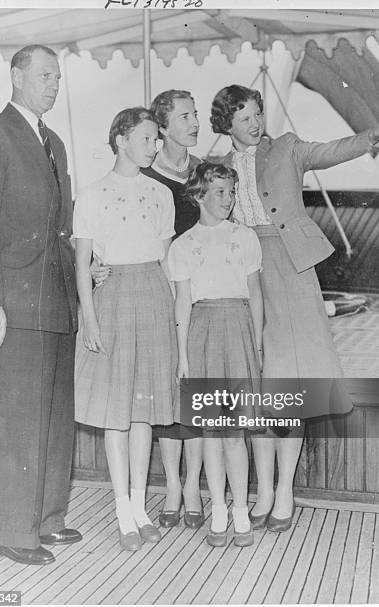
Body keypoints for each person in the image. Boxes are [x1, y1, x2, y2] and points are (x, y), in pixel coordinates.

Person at [210, 84, 379, 531]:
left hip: (291, 268)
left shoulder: (287, 148)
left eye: (258, 113)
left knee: (291, 381)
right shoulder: (216, 167)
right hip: (241, 267)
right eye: (244, 118)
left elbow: (334, 150)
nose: (256, 123)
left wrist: (373, 133)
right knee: (256, 386)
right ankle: (261, 491)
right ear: (226, 125)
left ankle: (284, 492)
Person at [0, 45, 81, 565]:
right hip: (15, 298)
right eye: (44, 76)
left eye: (58, 77)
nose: (54, 85)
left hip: (55, 298)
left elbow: (60, 228)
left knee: (56, 416)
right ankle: (12, 530)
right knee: (19, 419)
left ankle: (48, 518)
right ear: (15, 76)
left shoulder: (51, 140)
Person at [73, 107, 177, 552]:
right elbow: (82, 263)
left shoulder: (161, 194)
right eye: (148, 138)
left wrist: (172, 314)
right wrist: (90, 317)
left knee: (143, 408)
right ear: (121, 139)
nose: (155, 146)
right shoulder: (94, 194)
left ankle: (140, 505)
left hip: (153, 293)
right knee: (117, 407)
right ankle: (121, 510)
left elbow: (168, 262)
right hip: (112, 298)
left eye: (157, 139)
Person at [168, 162, 263, 547]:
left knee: (234, 433)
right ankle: (219, 510)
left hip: (237, 329)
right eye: (220, 192)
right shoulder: (183, 245)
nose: (228, 199)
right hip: (202, 335)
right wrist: (183, 355)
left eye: (231, 191)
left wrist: (256, 344)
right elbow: (182, 305)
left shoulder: (245, 238)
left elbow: (255, 295)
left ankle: (241, 509)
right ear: (199, 195)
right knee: (210, 431)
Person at [141, 90, 204, 529]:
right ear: (163, 128)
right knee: (168, 390)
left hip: (201, 294)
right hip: (164, 294)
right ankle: (172, 487)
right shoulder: (147, 177)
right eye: (185, 116)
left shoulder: (203, 172)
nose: (195, 121)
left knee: (197, 387)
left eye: (196, 114)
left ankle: (196, 484)